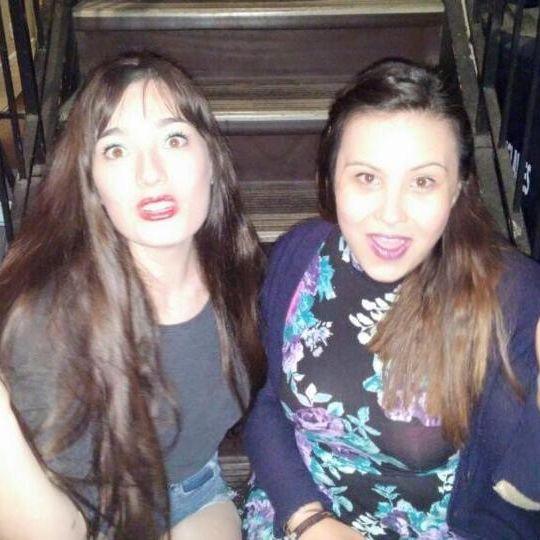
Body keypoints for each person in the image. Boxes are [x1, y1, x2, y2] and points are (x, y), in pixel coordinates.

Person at [242, 59, 540, 539]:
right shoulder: (299, 257)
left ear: (457, 189)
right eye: (366, 177)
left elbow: (521, 495)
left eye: (423, 181)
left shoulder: (511, 295)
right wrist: (308, 518)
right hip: (298, 508)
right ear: (331, 177)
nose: (391, 214)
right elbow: (266, 404)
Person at [0, 51, 265, 540]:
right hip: (86, 517)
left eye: (174, 139)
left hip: (197, 491)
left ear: (211, 160)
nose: (150, 173)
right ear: (92, 185)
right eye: (116, 150)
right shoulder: (48, 324)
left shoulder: (240, 275)